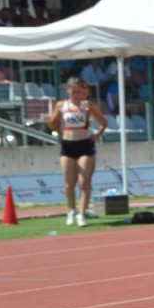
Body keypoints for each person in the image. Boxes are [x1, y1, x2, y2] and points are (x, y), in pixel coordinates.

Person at [44, 76, 108, 227]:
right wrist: (61, 134)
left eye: (79, 92)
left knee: (84, 181)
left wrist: (96, 136)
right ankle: (71, 210)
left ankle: (81, 213)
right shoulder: (62, 106)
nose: (77, 95)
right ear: (68, 91)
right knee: (69, 184)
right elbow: (52, 122)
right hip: (68, 146)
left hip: (85, 144)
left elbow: (104, 123)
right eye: (73, 92)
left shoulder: (88, 106)